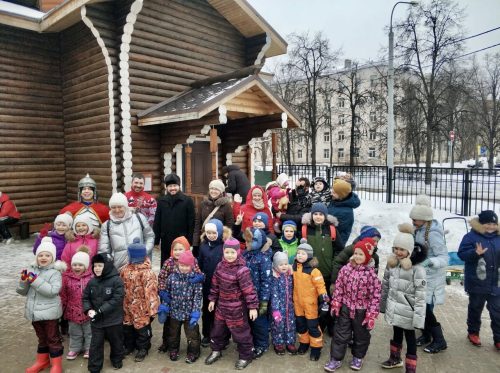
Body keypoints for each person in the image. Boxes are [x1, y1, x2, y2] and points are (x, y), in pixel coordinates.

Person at [324, 238, 381, 372]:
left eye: (361, 254)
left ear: (368, 256)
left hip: (362, 311)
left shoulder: (371, 275)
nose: (357, 256)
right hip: (345, 307)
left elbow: (375, 296)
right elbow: (339, 287)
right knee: (340, 334)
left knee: (361, 336)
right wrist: (336, 302)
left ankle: (358, 357)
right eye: (356, 253)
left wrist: (371, 314)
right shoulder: (346, 269)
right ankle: (336, 359)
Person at [205, 238, 259, 370]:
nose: (229, 255)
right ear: (223, 252)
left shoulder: (242, 270)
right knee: (217, 330)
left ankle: (246, 355)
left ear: (238, 253)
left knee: (241, 333)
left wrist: (252, 307)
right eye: (227, 252)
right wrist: (212, 299)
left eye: (232, 253)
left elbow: (249, 290)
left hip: (237, 309)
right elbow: (215, 284)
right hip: (221, 306)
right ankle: (216, 350)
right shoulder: (220, 266)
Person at [380, 223, 427, 373]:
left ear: (410, 250)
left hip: (409, 311)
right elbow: (385, 285)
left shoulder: (417, 269)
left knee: (410, 338)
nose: (398, 252)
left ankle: (411, 367)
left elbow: (421, 296)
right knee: (396, 333)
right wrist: (383, 305)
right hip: (394, 308)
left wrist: (419, 318)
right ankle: (395, 358)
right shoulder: (392, 264)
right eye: (396, 248)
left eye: (402, 249)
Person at [17, 237, 66, 373]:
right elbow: (22, 292)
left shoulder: (55, 273)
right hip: (34, 313)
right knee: (42, 338)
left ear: (53, 257)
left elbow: (52, 291)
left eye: (47, 255)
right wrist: (23, 281)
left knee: (53, 338)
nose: (43, 258)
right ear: (37, 257)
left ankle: (56, 364)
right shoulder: (31, 270)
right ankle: (42, 361)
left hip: (50, 313)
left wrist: (35, 280)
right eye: (41, 255)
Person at [410, 195, 448, 353]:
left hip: (431, 276)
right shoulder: (419, 230)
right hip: (420, 275)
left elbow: (443, 257)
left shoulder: (433, 234)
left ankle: (440, 340)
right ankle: (426, 335)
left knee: (425, 309)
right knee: (419, 308)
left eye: (415, 219)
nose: (413, 221)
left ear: (424, 219)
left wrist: (428, 262)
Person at [458, 210, 500, 350]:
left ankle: (498, 338)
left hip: (496, 282)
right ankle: (473, 332)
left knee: (497, 311)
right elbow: (462, 254)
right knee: (476, 308)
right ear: (481, 224)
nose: (491, 227)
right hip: (477, 281)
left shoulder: (498, 237)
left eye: (494, 224)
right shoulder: (470, 237)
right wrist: (475, 253)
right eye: (488, 223)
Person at [157, 236, 201, 353]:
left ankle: (193, 349)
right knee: (170, 326)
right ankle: (167, 343)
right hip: (171, 298)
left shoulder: (193, 261)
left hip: (187, 300)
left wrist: (198, 278)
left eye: (180, 249)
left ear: (186, 249)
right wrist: (162, 292)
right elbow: (161, 278)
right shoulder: (168, 262)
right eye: (175, 249)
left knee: (190, 329)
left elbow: (198, 274)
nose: (177, 252)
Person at [83, 253, 125, 372]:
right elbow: (85, 298)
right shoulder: (92, 282)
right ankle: (94, 367)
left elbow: (117, 298)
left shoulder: (116, 280)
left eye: (100, 265)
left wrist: (101, 310)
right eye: (95, 266)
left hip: (114, 320)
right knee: (96, 344)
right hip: (97, 321)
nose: (97, 268)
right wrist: (88, 309)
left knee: (116, 341)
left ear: (107, 266)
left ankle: (117, 359)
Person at [120, 238, 159, 362]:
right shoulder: (125, 269)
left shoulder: (147, 272)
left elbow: (151, 292)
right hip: (127, 306)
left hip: (141, 308)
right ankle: (129, 346)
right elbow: (120, 286)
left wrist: (153, 310)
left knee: (142, 329)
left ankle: (143, 348)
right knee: (128, 328)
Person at [164, 250, 203, 363]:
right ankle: (173, 350)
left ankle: (193, 352)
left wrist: (195, 312)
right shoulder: (171, 278)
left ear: (191, 265)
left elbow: (197, 297)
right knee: (173, 334)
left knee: (193, 335)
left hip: (189, 314)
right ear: (178, 264)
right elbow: (167, 293)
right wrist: (165, 306)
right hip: (174, 313)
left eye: (187, 266)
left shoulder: (195, 280)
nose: (184, 268)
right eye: (182, 265)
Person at [292, 241, 329, 361]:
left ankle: (316, 348)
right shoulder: (294, 268)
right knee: (301, 326)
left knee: (313, 326)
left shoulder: (314, 271)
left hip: (310, 305)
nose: (300, 255)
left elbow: (321, 287)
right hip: (297, 304)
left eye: (303, 253)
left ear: (309, 255)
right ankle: (304, 344)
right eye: (298, 253)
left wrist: (325, 301)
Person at [99, 192, 154, 272]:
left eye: (120, 207)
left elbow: (149, 236)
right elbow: (104, 251)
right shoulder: (107, 225)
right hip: (119, 269)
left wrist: (144, 251)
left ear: (125, 206)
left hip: (140, 266)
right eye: (113, 207)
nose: (117, 210)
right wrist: (110, 264)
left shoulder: (139, 218)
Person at [198, 219, 231, 347]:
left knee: (222, 311)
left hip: (222, 285)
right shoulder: (203, 246)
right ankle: (207, 334)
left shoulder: (225, 246)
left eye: (213, 233)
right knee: (207, 311)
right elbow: (200, 263)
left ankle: (224, 336)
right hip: (207, 285)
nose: (211, 235)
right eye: (208, 233)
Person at [242, 227, 273, 358]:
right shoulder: (245, 254)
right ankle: (252, 342)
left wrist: (264, 301)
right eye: (246, 241)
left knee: (259, 322)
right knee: (249, 321)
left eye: (250, 241)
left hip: (259, 298)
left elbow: (266, 281)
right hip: (246, 296)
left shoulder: (263, 258)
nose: (247, 244)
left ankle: (262, 344)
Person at [153, 173, 195, 265]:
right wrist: (156, 240)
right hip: (166, 239)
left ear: (179, 186)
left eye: (175, 185)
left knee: (182, 263)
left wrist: (189, 240)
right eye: (170, 186)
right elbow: (157, 221)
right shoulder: (162, 201)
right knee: (166, 264)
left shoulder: (187, 201)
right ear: (166, 187)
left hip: (181, 239)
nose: (172, 188)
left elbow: (191, 222)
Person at [60, 248, 93, 360]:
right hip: (72, 311)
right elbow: (63, 294)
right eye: (74, 265)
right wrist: (62, 307)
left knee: (89, 332)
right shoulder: (67, 278)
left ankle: (89, 348)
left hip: (88, 310)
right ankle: (75, 348)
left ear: (86, 266)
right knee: (74, 332)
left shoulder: (91, 277)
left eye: (80, 265)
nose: (77, 267)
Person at [192, 179, 234, 257]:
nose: (213, 191)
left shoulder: (226, 205)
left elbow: (229, 225)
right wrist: (195, 244)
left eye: (216, 189)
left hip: (219, 243)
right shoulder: (203, 204)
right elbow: (198, 224)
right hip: (204, 240)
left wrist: (224, 241)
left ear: (221, 191)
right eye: (212, 188)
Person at [269, 251, 297, 355]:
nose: (284, 266)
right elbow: (274, 294)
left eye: (285, 264)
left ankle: (290, 342)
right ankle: (278, 343)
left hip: (289, 306)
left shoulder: (290, 275)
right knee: (278, 325)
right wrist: (275, 310)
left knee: (290, 324)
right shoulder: (275, 277)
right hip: (279, 307)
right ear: (276, 266)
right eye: (281, 265)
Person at [328, 179, 361, 245]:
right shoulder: (336, 201)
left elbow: (337, 229)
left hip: (336, 242)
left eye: (334, 193)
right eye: (332, 191)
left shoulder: (345, 212)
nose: (331, 194)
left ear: (341, 195)